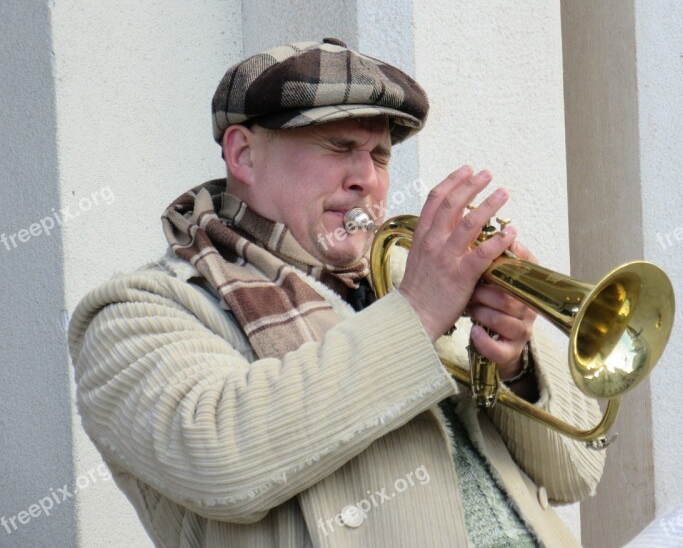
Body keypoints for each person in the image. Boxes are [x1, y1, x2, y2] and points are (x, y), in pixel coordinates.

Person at [68, 38, 605, 548]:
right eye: (339, 146)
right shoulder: (135, 312)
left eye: (379, 155)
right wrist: (416, 315)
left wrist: (514, 367)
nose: (364, 178)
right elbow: (223, 461)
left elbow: (576, 476)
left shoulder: (401, 274)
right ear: (244, 154)